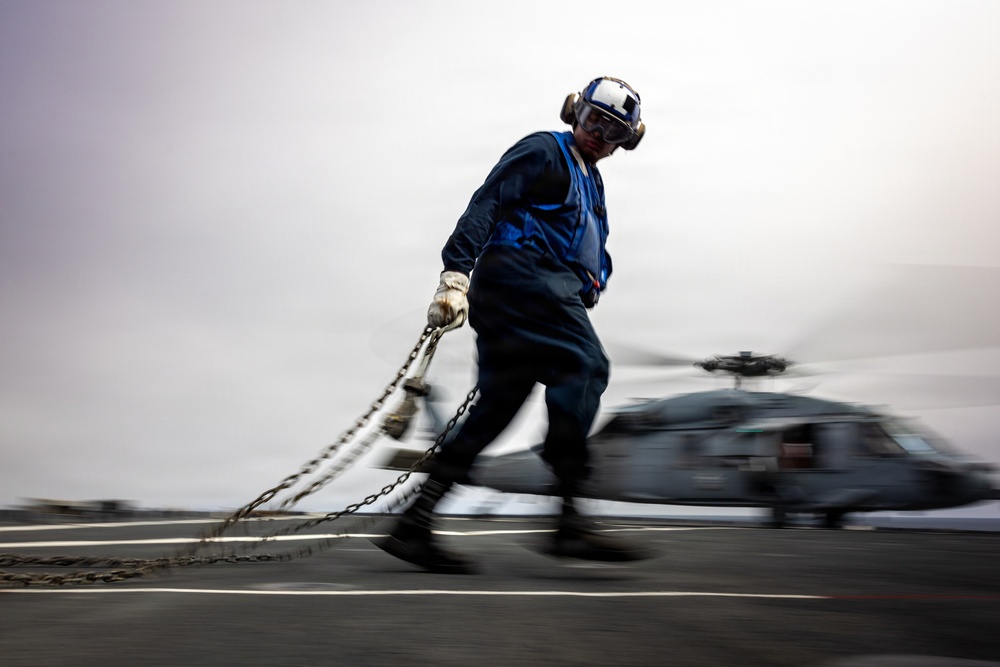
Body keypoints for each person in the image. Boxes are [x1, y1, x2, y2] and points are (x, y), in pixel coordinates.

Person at [373, 77, 652, 573]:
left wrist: (590, 281)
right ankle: (569, 518)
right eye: (592, 121)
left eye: (611, 132)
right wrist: (455, 274)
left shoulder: (592, 182)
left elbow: (587, 244)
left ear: (624, 141)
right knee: (585, 367)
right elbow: (489, 202)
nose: (597, 136)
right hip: (524, 278)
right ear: (574, 113)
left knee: (496, 408)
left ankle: (414, 522)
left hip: (530, 293)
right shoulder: (546, 150)